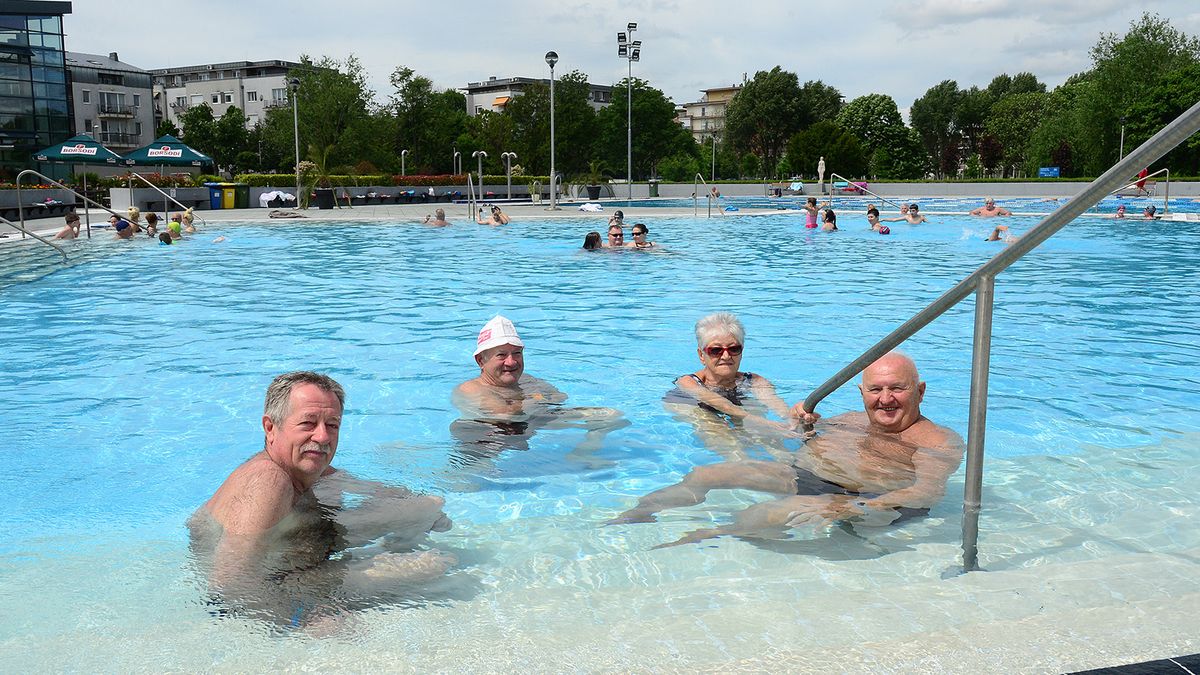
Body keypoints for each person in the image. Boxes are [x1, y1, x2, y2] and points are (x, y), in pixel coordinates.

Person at [610, 353, 965, 548]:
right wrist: (801, 422)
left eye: (897, 389)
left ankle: (710, 537)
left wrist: (856, 505)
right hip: (812, 479)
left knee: (761, 515)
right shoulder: (852, 419)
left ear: (920, 390)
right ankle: (638, 515)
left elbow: (924, 492)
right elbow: (801, 439)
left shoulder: (936, 440)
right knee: (710, 473)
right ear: (861, 392)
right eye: (876, 390)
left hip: (865, 499)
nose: (885, 399)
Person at [189, 372, 456, 624]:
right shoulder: (268, 480)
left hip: (301, 558)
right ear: (271, 428)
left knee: (429, 506)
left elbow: (389, 494)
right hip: (279, 587)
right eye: (308, 423)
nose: (323, 436)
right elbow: (227, 585)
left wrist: (423, 513)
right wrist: (306, 619)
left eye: (332, 425)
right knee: (437, 563)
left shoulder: (312, 469)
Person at [451, 316, 627, 469]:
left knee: (609, 416)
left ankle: (581, 454)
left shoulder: (525, 379)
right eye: (502, 355)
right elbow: (507, 415)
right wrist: (535, 397)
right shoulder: (471, 388)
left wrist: (531, 399)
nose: (511, 362)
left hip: (530, 423)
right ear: (481, 360)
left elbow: (559, 398)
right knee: (472, 480)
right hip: (488, 440)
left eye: (517, 353)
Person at [661, 313, 798, 461]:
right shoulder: (687, 382)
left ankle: (793, 467)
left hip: (735, 405)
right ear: (701, 355)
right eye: (715, 350)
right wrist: (757, 421)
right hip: (694, 404)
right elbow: (714, 400)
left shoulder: (753, 380)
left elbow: (775, 403)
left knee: (767, 432)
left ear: (741, 352)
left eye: (733, 349)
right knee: (718, 432)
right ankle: (745, 466)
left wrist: (794, 419)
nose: (726, 356)